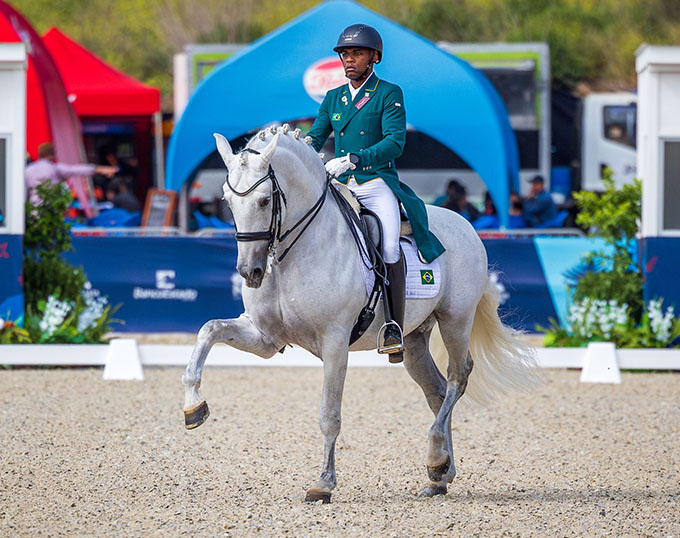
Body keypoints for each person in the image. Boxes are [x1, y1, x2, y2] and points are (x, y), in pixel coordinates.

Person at [306, 23, 445, 362]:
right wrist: (297, 148)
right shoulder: (333, 98)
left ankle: (394, 327)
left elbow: (394, 143)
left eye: (356, 54)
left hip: (375, 183)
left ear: (373, 57)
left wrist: (354, 158)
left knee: (388, 246)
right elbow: (314, 137)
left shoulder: (388, 93)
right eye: (345, 54)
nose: (349, 60)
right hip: (341, 186)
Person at [25, 142, 117, 206]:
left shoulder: (28, 170)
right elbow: (77, 170)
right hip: (51, 209)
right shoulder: (54, 169)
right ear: (51, 155)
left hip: (33, 209)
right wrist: (102, 169)